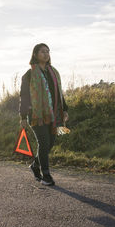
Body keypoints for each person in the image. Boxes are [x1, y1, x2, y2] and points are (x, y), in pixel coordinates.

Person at [19, 43, 69, 186]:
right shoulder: (28, 75)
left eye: (48, 51)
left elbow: (59, 93)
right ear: (35, 54)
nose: (46, 54)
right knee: (44, 142)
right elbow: (24, 97)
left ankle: (35, 165)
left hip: (54, 115)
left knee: (50, 143)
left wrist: (65, 109)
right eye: (42, 52)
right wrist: (22, 117)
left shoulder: (54, 72)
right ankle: (46, 176)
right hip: (36, 115)